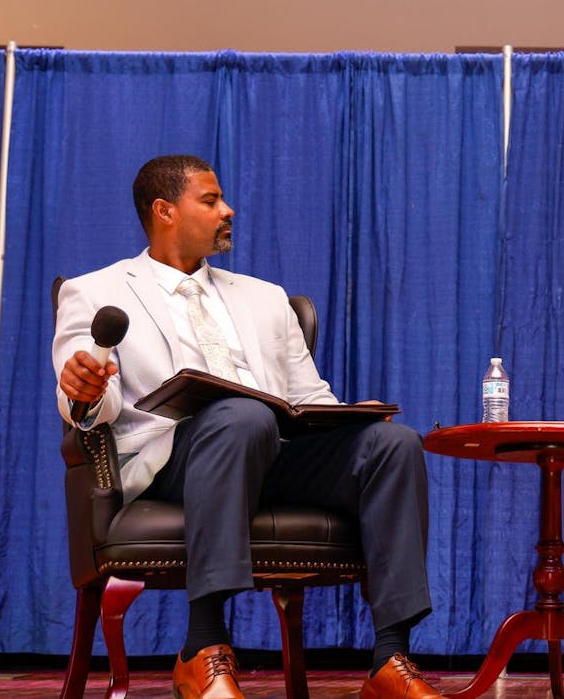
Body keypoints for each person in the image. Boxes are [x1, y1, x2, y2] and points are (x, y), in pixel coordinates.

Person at [53, 155, 439, 699]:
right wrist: (84, 391)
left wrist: (350, 419)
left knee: (392, 444)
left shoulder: (264, 297)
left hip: (272, 450)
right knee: (242, 415)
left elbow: (308, 398)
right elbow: (87, 394)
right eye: (209, 201)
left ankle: (390, 660)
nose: (227, 210)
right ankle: (203, 646)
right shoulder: (96, 293)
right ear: (165, 211)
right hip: (169, 463)